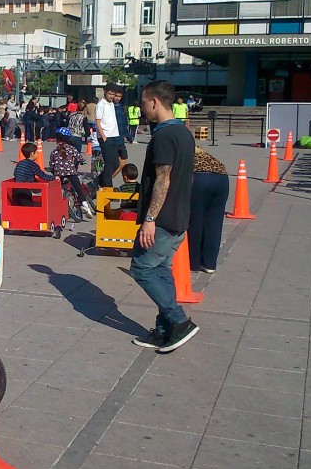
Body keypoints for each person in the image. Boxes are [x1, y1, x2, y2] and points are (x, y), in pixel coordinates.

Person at [130, 80, 198, 354]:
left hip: (162, 219)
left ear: (154, 102)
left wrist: (149, 220)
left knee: (142, 268)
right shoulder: (183, 132)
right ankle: (164, 329)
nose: (142, 109)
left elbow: (163, 179)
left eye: (143, 104)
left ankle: (179, 322)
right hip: (179, 216)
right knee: (160, 270)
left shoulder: (163, 136)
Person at [188, 146, 229, 275]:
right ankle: (209, 263)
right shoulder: (210, 158)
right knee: (214, 223)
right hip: (222, 178)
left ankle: (194, 262)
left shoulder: (186, 156)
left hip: (199, 178)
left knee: (195, 221)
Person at [50, 127, 92, 218]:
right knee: (78, 188)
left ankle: (57, 206)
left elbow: (52, 164)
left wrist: (54, 173)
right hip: (71, 172)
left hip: (58, 173)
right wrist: (82, 161)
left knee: (57, 189)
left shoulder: (54, 152)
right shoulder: (71, 148)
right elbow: (79, 157)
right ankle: (84, 204)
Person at [95, 84, 123, 188]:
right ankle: (107, 186)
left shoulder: (111, 104)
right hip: (106, 136)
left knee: (116, 163)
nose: (111, 96)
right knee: (109, 163)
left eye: (113, 94)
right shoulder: (101, 104)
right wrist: (103, 137)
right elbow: (97, 122)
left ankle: (98, 181)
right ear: (104, 92)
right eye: (110, 94)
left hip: (113, 135)